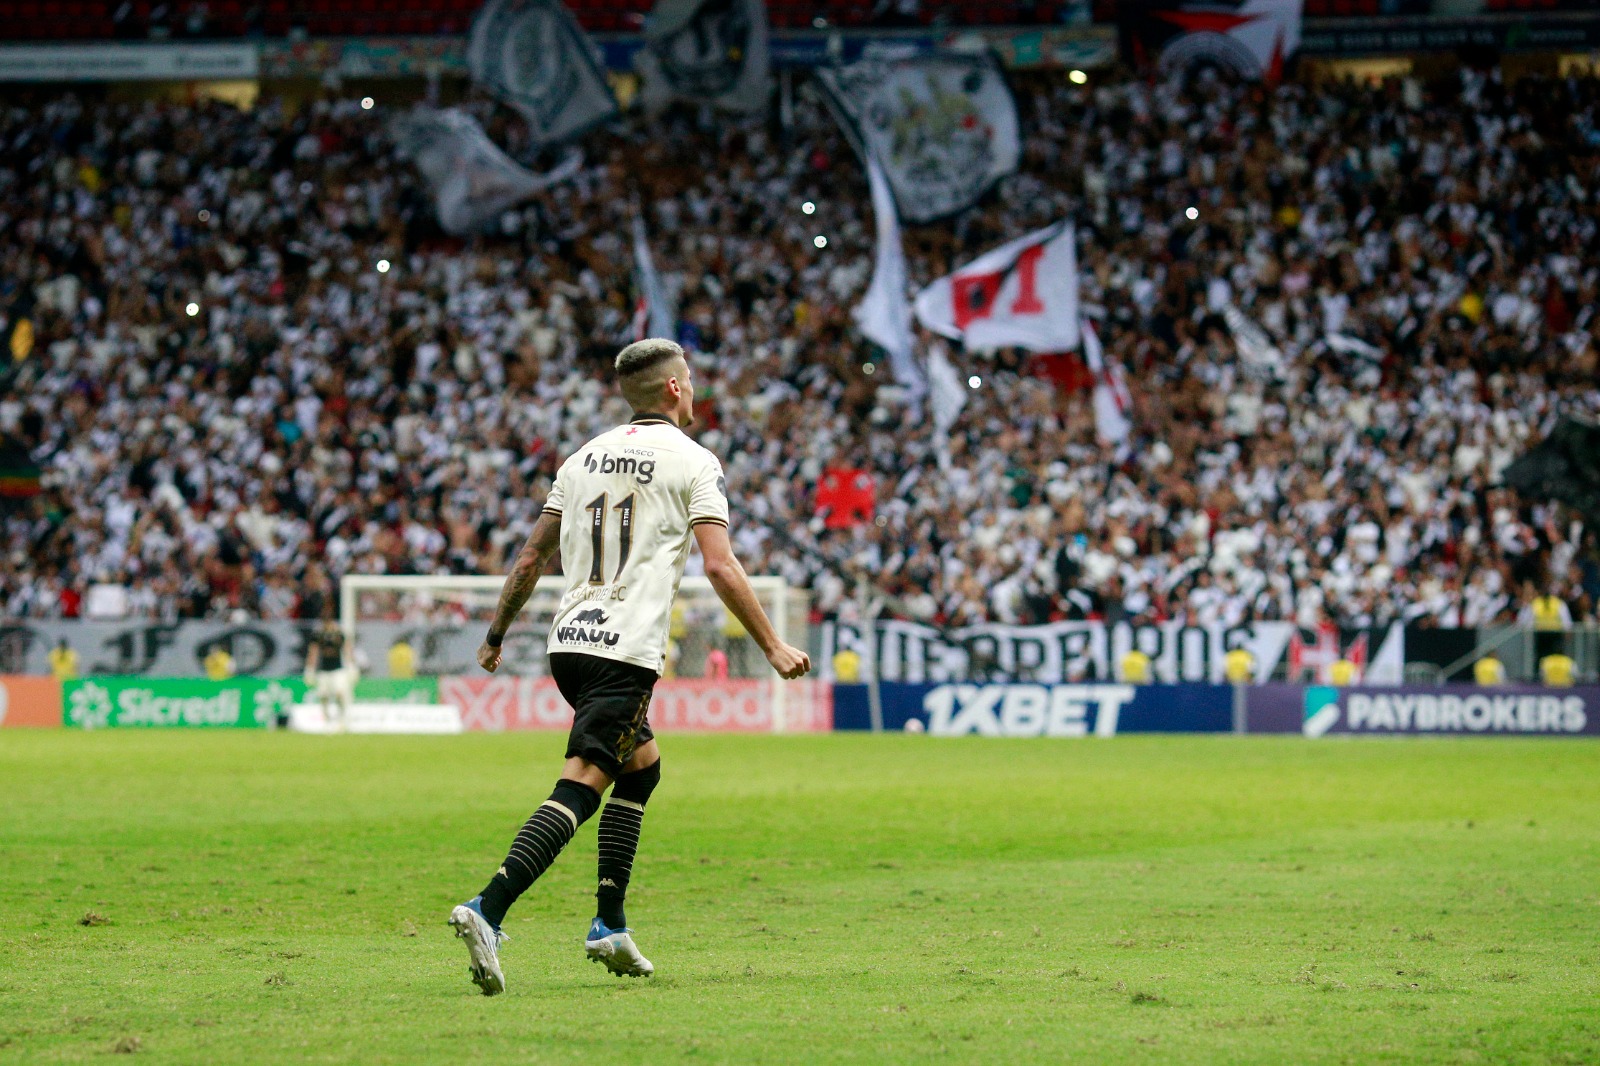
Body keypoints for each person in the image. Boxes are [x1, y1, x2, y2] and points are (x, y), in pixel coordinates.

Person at [448, 338, 811, 996]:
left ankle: (609, 923)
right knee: (583, 785)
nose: (696, 390)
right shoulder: (693, 462)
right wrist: (774, 646)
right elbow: (721, 565)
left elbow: (532, 557)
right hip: (622, 650)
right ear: (673, 389)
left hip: (570, 644)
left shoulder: (581, 458)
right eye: (692, 380)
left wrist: (497, 633)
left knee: (641, 769)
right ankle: (486, 907)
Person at [304, 617, 354, 731]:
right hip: (323, 670)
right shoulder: (318, 636)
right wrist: (309, 669)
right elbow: (314, 652)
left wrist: (351, 665)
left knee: (340, 693)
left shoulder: (339, 635)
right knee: (323, 696)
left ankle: (341, 720)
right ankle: (327, 720)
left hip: (338, 670)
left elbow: (347, 649)